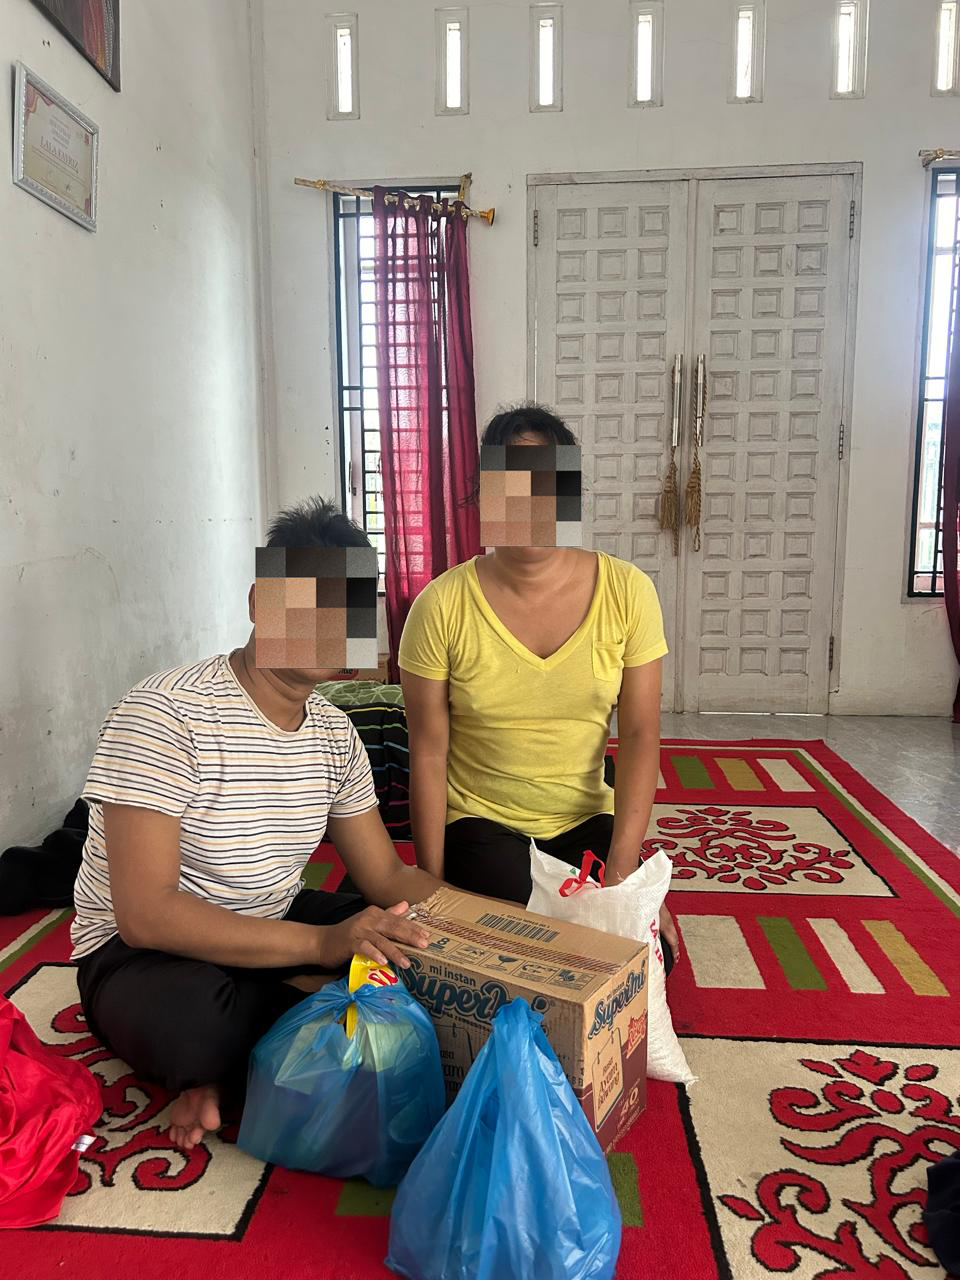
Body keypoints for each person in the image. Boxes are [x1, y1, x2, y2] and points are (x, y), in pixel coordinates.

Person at [71, 498, 438, 1152]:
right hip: (143, 956)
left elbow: (386, 875)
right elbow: (146, 916)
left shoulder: (335, 734)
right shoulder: (164, 712)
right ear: (259, 603)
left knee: (413, 938)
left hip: (272, 916)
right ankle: (263, 1028)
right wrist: (322, 948)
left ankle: (237, 1058)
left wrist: (506, 925)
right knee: (199, 1024)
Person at [400, 404, 677, 967]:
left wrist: (623, 877)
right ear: (483, 496)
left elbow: (641, 735)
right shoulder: (441, 605)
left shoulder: (628, 592)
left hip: (585, 818)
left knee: (643, 960)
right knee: (523, 927)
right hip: (482, 823)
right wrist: (432, 885)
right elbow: (428, 751)